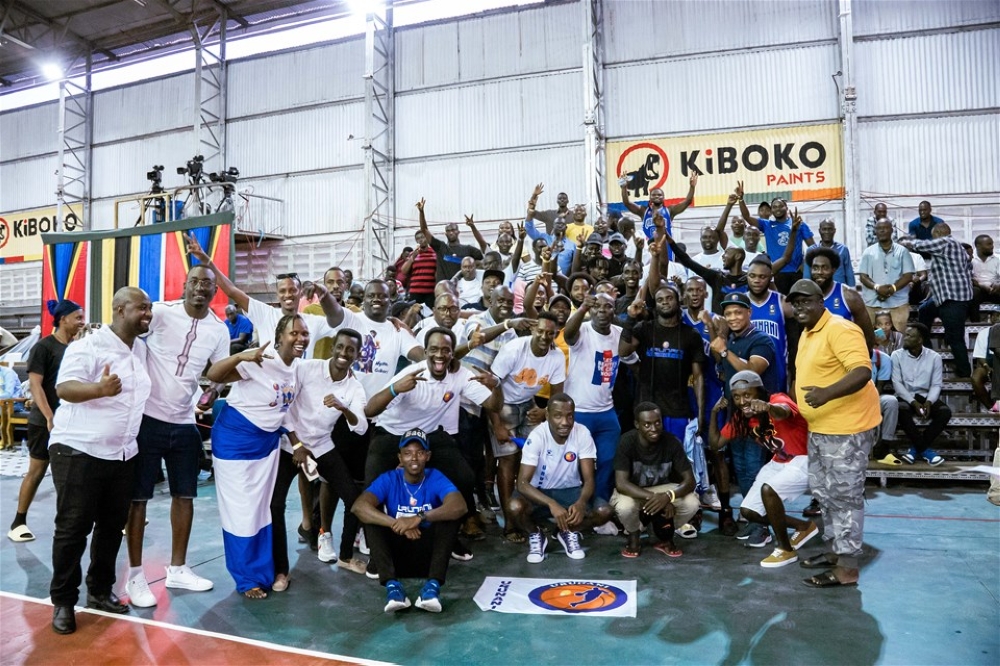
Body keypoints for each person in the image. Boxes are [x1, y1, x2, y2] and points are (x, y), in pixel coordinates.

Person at [48, 287, 153, 635]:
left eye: (150, 308)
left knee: (111, 528)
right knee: (73, 528)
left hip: (122, 453)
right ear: (120, 309)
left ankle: (99, 591)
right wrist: (99, 390)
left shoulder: (140, 351)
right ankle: (63, 601)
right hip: (79, 449)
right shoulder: (88, 345)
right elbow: (65, 388)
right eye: (141, 308)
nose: (148, 314)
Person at [124, 267, 230, 608]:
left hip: (185, 421)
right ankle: (136, 575)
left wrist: (211, 392)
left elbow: (220, 371)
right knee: (138, 499)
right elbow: (127, 336)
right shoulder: (161, 312)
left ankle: (179, 568)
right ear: (184, 285)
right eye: (195, 282)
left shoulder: (218, 329)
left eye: (207, 284)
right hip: (147, 419)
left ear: (215, 291)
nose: (200, 288)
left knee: (185, 496)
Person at [363, 327, 503, 558]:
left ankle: (447, 539)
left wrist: (495, 385)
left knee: (463, 479)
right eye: (434, 350)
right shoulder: (411, 374)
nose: (440, 355)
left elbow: (494, 405)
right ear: (426, 352)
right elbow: (370, 410)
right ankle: (378, 551)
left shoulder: (460, 375)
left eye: (446, 350)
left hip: (429, 435)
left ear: (452, 354)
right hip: (392, 432)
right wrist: (394, 388)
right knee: (372, 486)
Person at [205, 314, 309, 599]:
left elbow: (282, 409)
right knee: (242, 513)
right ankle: (246, 578)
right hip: (236, 442)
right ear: (280, 337)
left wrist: (295, 441)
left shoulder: (295, 368)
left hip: (267, 444)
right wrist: (244, 356)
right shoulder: (262, 361)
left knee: (262, 510)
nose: (301, 339)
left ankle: (265, 571)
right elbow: (214, 375)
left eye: (304, 334)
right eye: (294, 333)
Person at [787, 279, 881, 588]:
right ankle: (836, 553)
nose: (800, 306)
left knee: (845, 498)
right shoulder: (808, 333)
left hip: (847, 429)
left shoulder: (840, 328)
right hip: (822, 428)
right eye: (795, 302)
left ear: (820, 301)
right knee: (824, 495)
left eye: (806, 301)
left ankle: (847, 568)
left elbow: (861, 371)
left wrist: (826, 394)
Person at [276, 328, 369, 577]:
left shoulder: (354, 387)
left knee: (355, 500)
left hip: (321, 444)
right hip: (290, 443)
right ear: (332, 348)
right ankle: (279, 570)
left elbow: (360, 427)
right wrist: (296, 444)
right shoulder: (307, 368)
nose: (344, 353)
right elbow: (283, 401)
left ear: (357, 355)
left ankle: (346, 555)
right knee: (275, 504)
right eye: (340, 347)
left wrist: (343, 407)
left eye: (350, 349)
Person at [709, 371, 818, 565]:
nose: (742, 401)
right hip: (780, 462)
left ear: (759, 392)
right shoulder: (742, 418)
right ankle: (804, 527)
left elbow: (784, 410)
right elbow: (716, 443)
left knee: (769, 490)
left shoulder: (777, 399)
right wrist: (713, 413)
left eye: (747, 395)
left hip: (805, 459)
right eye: (737, 396)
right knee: (749, 511)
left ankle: (786, 549)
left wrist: (768, 407)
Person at [352, 429, 466, 613]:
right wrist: (398, 524)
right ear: (400, 457)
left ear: (427, 456)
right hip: (396, 555)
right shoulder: (389, 478)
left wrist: (418, 518)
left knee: (450, 516)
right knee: (371, 518)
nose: (414, 458)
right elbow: (359, 506)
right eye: (408, 453)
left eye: (419, 453)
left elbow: (459, 505)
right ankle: (393, 588)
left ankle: (432, 589)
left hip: (428, 554)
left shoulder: (435, 476)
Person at [8, 300, 85, 543]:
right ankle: (18, 522)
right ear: (63, 320)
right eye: (78, 317)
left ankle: (110, 519)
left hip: (72, 422)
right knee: (37, 470)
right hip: (45, 422)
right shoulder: (44, 347)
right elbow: (36, 385)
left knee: (84, 473)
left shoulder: (78, 347)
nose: (82, 322)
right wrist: (50, 417)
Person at [487, 313, 566, 542]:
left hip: (530, 405)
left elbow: (558, 394)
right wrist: (498, 424)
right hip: (503, 404)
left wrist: (545, 412)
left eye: (549, 333)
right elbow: (492, 387)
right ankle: (510, 522)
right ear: (533, 329)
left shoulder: (557, 357)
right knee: (508, 461)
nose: (544, 336)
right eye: (540, 331)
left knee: (534, 458)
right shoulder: (514, 349)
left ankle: (527, 510)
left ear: (555, 334)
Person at [507, 393, 613, 562]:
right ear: (547, 415)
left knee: (604, 511)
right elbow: (522, 483)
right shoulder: (537, 437)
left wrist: (581, 503)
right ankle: (536, 535)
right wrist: (551, 504)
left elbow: (589, 479)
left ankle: (567, 532)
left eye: (569, 415)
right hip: (539, 493)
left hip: (570, 491)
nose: (565, 422)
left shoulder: (582, 433)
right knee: (514, 506)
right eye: (558, 416)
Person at [619, 282, 705, 445]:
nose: (665, 302)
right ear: (655, 305)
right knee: (649, 462)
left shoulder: (691, 335)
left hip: (678, 410)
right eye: (660, 300)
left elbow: (698, 377)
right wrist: (630, 318)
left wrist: (700, 413)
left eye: (669, 298)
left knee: (678, 461)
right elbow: (623, 351)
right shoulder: (644, 328)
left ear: (678, 301)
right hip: (647, 409)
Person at [612, 403, 699, 559]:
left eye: (657, 422)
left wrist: (668, 496)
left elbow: (690, 481)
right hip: (634, 490)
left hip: (663, 490)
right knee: (625, 507)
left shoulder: (672, 442)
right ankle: (634, 534)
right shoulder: (627, 441)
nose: (654, 428)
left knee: (692, 503)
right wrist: (657, 499)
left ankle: (663, 534)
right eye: (647, 424)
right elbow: (622, 483)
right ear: (637, 424)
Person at [563, 292, 623, 501]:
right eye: (597, 306)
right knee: (576, 463)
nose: (602, 311)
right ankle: (577, 506)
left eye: (608, 306)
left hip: (607, 411)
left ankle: (601, 505)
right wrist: (581, 309)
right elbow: (567, 335)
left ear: (614, 310)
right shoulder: (582, 330)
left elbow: (633, 355)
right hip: (579, 410)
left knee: (608, 460)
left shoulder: (619, 333)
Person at [900, 223, 974, 379]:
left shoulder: (946, 242)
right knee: (925, 310)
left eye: (933, 236)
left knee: (955, 338)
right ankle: (926, 347)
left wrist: (906, 241)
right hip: (944, 297)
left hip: (953, 299)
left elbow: (920, 245)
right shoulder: (956, 249)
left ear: (940, 233)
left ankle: (965, 373)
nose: (933, 239)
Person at [891, 323, 949, 466]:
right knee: (901, 409)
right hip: (906, 395)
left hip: (926, 395)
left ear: (920, 340)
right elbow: (897, 384)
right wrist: (913, 402)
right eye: (906, 334)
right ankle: (925, 451)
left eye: (910, 336)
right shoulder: (896, 355)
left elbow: (936, 384)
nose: (905, 338)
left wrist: (929, 402)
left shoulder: (934, 357)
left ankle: (914, 450)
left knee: (944, 412)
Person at [738, 189, 815, 294]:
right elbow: (747, 216)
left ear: (786, 207)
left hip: (796, 272)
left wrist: (805, 263)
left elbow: (813, 248)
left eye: (780, 206)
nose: (777, 209)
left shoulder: (798, 224)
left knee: (797, 304)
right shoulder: (767, 225)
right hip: (776, 273)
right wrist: (741, 199)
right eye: (774, 207)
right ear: (771, 210)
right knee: (780, 305)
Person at [805, 245, 876, 353]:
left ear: (833, 270)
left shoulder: (849, 296)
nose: (819, 272)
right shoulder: (805, 297)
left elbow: (868, 336)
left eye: (825, 268)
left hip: (845, 359)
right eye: (815, 268)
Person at [858, 218, 915, 336]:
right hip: (873, 303)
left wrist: (892, 289)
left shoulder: (902, 251)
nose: (882, 231)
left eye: (885, 228)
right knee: (875, 339)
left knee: (898, 338)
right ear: (875, 232)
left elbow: (908, 275)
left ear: (892, 230)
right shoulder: (868, 252)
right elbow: (863, 277)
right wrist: (878, 288)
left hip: (897, 304)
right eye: (879, 229)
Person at [417, 200, 483, 282]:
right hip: (443, 289)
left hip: (461, 289)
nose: (451, 232)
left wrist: (473, 227)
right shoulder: (441, 247)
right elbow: (424, 230)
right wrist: (421, 212)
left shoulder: (468, 249)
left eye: (453, 230)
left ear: (458, 232)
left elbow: (484, 255)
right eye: (448, 230)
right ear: (445, 233)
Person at [803, 219, 855, 287]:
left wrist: (852, 290)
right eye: (824, 229)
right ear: (819, 231)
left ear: (834, 231)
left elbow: (849, 273)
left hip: (839, 290)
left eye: (830, 229)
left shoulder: (843, 249)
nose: (827, 232)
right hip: (819, 290)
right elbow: (807, 276)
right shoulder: (811, 250)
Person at [971, 234, 1000, 321]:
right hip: (978, 289)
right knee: (973, 292)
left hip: (995, 288)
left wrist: (999, 284)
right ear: (978, 246)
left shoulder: (998, 258)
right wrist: (981, 285)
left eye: (992, 244)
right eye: (989, 244)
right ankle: (975, 324)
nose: (992, 247)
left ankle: (996, 320)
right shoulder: (971, 259)